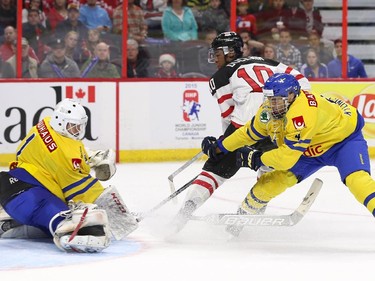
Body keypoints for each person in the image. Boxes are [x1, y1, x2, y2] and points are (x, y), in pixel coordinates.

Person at [170, 31, 310, 234]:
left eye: (217, 54)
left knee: (214, 171)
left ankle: (183, 214)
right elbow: (303, 84)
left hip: (244, 127)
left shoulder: (220, 76)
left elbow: (228, 115)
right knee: (268, 166)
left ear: (229, 53)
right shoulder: (270, 62)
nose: (214, 59)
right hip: (275, 127)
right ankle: (254, 211)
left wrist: (219, 145)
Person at [202, 72, 375, 236]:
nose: (272, 105)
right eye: (270, 99)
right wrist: (220, 147)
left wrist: (255, 159)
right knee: (269, 183)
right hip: (307, 148)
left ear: (292, 95)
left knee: (357, 180)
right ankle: (240, 219)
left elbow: (285, 159)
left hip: (342, 142)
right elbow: (247, 133)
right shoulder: (269, 110)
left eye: (277, 100)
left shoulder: (302, 114)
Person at [0, 99, 137, 252]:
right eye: (73, 126)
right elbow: (83, 189)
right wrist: (119, 217)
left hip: (9, 184)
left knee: (44, 218)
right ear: (60, 121)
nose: (77, 130)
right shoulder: (66, 155)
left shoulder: (44, 124)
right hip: (31, 195)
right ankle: (69, 233)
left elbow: (63, 148)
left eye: (79, 126)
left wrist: (89, 157)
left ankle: (10, 223)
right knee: (67, 220)